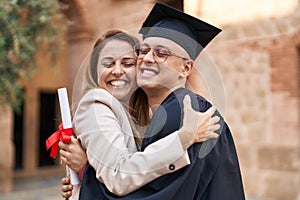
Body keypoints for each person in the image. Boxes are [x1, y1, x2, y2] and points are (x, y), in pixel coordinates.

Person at [75, 3, 245, 200]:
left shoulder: (182, 113)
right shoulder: (178, 110)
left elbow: (149, 195)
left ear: (186, 68)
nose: (147, 58)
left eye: (161, 53)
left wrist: (85, 172)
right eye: (142, 50)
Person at [59, 28, 220, 199]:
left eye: (128, 64)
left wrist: (86, 169)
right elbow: (118, 177)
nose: (117, 71)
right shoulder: (96, 103)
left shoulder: (136, 113)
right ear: (94, 71)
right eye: (108, 64)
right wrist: (183, 138)